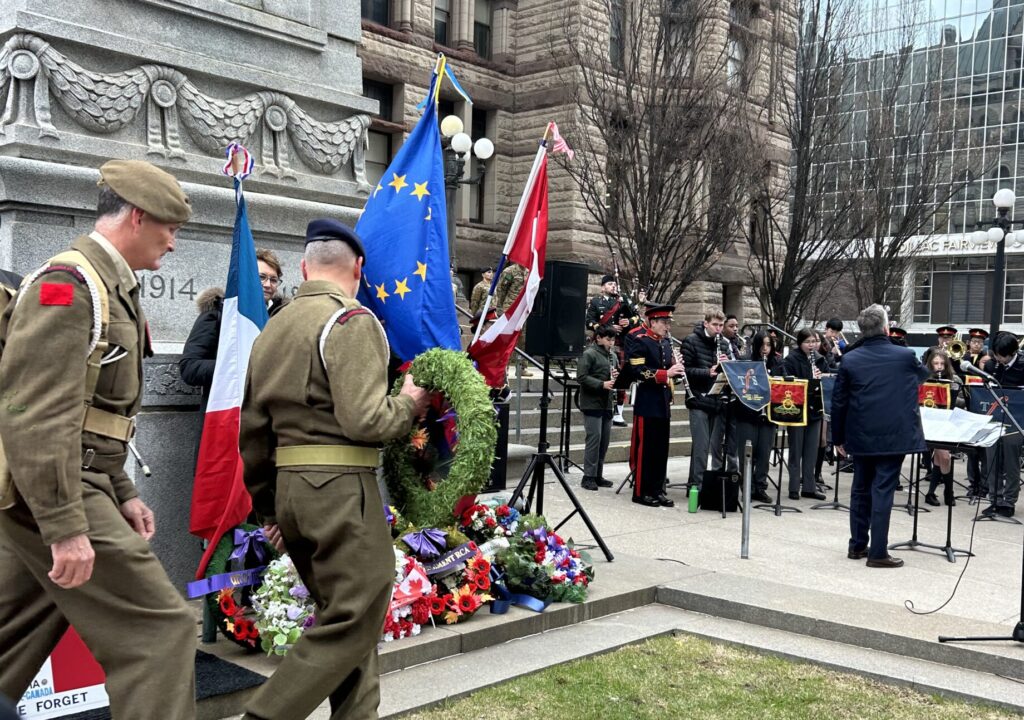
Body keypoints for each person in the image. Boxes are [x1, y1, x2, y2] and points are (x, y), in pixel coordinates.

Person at [0, 160, 196, 717]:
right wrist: (65, 527)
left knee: (11, 637)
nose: (174, 244)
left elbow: (97, 413)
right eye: (169, 228)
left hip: (70, 482)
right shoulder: (68, 286)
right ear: (136, 216)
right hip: (56, 490)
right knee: (161, 632)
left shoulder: (107, 286)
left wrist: (122, 489)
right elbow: (35, 415)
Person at [239, 219, 428, 720]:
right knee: (354, 616)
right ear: (359, 269)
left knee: (349, 627)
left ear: (303, 267)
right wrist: (409, 402)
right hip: (342, 491)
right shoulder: (350, 321)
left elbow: (253, 432)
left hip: (291, 493)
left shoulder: (273, 328)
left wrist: (268, 509)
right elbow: (366, 418)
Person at [832, 304, 929, 568]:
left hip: (861, 434)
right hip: (893, 435)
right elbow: (924, 376)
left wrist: (837, 438)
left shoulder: (849, 359)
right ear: (886, 328)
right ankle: (877, 552)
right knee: (882, 490)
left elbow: (838, 402)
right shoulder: (905, 355)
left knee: (860, 489)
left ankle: (857, 545)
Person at [180, 248, 288, 414]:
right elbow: (190, 367)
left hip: (271, 418)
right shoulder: (218, 313)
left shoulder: (284, 316)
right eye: (261, 277)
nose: (268, 285)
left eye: (274, 280)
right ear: (246, 277)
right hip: (227, 415)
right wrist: (238, 368)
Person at [625, 303, 684, 507]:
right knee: (646, 450)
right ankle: (641, 492)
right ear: (652, 321)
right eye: (664, 323)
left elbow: (669, 372)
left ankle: (657, 489)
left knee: (661, 450)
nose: (668, 327)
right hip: (647, 402)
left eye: (669, 323)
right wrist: (665, 374)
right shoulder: (640, 341)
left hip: (663, 402)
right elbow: (637, 371)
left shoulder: (665, 344)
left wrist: (676, 372)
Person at [773, 329, 830, 500]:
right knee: (796, 450)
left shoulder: (820, 359)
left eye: (814, 341)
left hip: (815, 409)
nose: (812, 345)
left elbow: (828, 381)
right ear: (800, 343)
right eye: (808, 342)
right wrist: (807, 380)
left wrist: (821, 377)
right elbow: (786, 383)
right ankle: (793, 488)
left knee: (811, 450)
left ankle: (809, 487)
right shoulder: (791, 359)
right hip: (796, 411)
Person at [981, 331, 1024, 518]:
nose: (998, 358)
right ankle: (995, 499)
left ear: (1013, 353)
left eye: (1002, 356)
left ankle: (1009, 500)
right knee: (992, 459)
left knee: (1011, 460)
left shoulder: (1022, 366)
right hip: (994, 418)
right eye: (996, 354)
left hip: (1016, 420)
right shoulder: (993, 365)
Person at [682, 308, 726, 489]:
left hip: (716, 398)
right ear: (706, 323)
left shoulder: (722, 343)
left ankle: (699, 482)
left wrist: (726, 365)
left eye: (721, 325)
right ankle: (697, 486)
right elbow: (685, 371)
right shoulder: (691, 341)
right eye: (715, 324)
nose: (718, 329)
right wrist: (708, 372)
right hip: (698, 398)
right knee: (701, 446)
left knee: (708, 445)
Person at [586, 274, 639, 426]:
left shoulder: (624, 301)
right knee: (603, 374)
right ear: (603, 287)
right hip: (602, 344)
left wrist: (628, 321)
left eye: (614, 284)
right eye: (609, 284)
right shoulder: (596, 302)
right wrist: (608, 328)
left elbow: (637, 318)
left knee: (621, 377)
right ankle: (602, 407)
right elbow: (589, 322)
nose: (613, 286)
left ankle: (618, 413)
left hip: (621, 344)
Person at [735, 330, 781, 504]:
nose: (765, 349)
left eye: (769, 345)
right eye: (762, 345)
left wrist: (773, 381)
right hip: (748, 414)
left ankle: (760, 487)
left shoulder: (777, 363)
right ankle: (746, 487)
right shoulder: (746, 363)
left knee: (764, 453)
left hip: (768, 415)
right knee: (747, 452)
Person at [576, 326, 619, 491]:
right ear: (599, 338)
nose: (611, 343)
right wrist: (602, 384)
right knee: (594, 439)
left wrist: (615, 377)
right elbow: (582, 377)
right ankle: (588, 476)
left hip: (607, 403)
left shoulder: (612, 356)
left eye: (613, 340)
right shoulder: (589, 354)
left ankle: (598, 474)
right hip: (592, 402)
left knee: (604, 441)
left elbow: (614, 376)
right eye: (608, 339)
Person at [921, 349, 957, 507]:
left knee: (941, 457)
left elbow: (961, 402)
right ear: (930, 365)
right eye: (936, 363)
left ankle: (932, 493)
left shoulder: (953, 380)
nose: (939, 366)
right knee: (944, 457)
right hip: (927, 423)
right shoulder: (923, 379)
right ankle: (948, 491)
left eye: (942, 363)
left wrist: (954, 392)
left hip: (946, 422)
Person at [710, 314, 742, 472]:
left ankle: (733, 471)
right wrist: (718, 366)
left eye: (736, 326)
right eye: (731, 326)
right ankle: (716, 469)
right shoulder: (718, 343)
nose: (735, 329)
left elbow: (736, 367)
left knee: (733, 436)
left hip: (733, 395)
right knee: (717, 436)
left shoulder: (733, 344)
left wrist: (731, 364)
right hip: (716, 395)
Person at [962, 328, 990, 497]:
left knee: (985, 452)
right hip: (967, 408)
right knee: (970, 451)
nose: (977, 344)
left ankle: (984, 486)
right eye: (974, 341)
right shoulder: (963, 359)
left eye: (980, 342)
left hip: (984, 410)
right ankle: (973, 484)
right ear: (969, 343)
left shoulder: (987, 359)